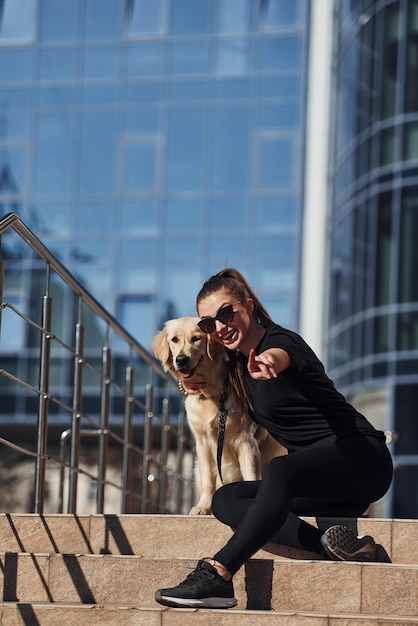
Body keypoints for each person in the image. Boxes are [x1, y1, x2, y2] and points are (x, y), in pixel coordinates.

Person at [155, 268, 393, 610]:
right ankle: (333, 544)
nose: (220, 326)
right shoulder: (235, 364)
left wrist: (269, 361)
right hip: (321, 485)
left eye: (226, 313)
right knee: (226, 498)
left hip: (360, 459)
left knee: (278, 469)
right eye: (209, 323)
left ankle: (218, 574)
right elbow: (200, 374)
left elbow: (280, 355)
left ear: (248, 307)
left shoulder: (281, 342)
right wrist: (187, 381)